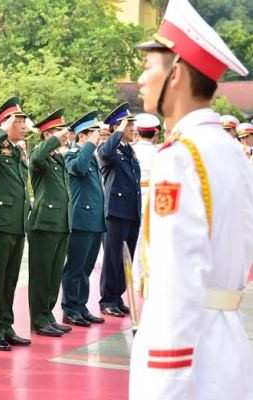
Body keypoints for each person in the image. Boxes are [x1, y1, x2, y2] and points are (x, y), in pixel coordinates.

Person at [130, 0, 253, 398]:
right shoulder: (230, 149)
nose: (141, 79)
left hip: (188, 356)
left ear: (177, 73)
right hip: (226, 344)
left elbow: (177, 277)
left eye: (149, 66)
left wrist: (167, 380)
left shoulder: (180, 156)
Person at [0, 97, 31, 351]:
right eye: (17, 122)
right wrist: (1, 130)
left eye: (23, 122)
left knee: (10, 280)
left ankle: (6, 326)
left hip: (17, 223)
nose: (23, 126)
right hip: (0, 222)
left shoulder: (17, 150)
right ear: (5, 124)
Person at [27, 109, 73, 337]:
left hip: (60, 222)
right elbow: (36, 157)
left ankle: (47, 315)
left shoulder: (58, 157)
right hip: (44, 222)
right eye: (58, 131)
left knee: (54, 274)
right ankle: (38, 319)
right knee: (42, 275)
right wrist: (54, 139)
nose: (64, 135)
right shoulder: (40, 155)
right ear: (47, 134)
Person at [61, 111, 106, 327]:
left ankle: (81, 305)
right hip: (81, 219)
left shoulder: (91, 155)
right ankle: (70, 308)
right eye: (93, 134)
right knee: (75, 267)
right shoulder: (71, 154)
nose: (98, 137)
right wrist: (88, 145)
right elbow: (78, 169)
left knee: (86, 267)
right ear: (82, 136)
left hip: (95, 219)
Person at [97, 103, 141, 317]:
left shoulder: (129, 150)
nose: (133, 129)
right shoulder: (108, 148)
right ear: (117, 127)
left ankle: (117, 296)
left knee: (126, 258)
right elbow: (105, 153)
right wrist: (119, 130)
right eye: (128, 125)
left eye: (132, 124)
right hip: (115, 212)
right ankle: (107, 300)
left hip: (131, 211)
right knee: (113, 258)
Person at [131, 113, 160, 287]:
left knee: (137, 240)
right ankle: (148, 276)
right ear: (154, 133)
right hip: (154, 199)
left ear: (137, 131)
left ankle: (137, 278)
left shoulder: (131, 150)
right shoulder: (159, 152)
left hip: (135, 199)